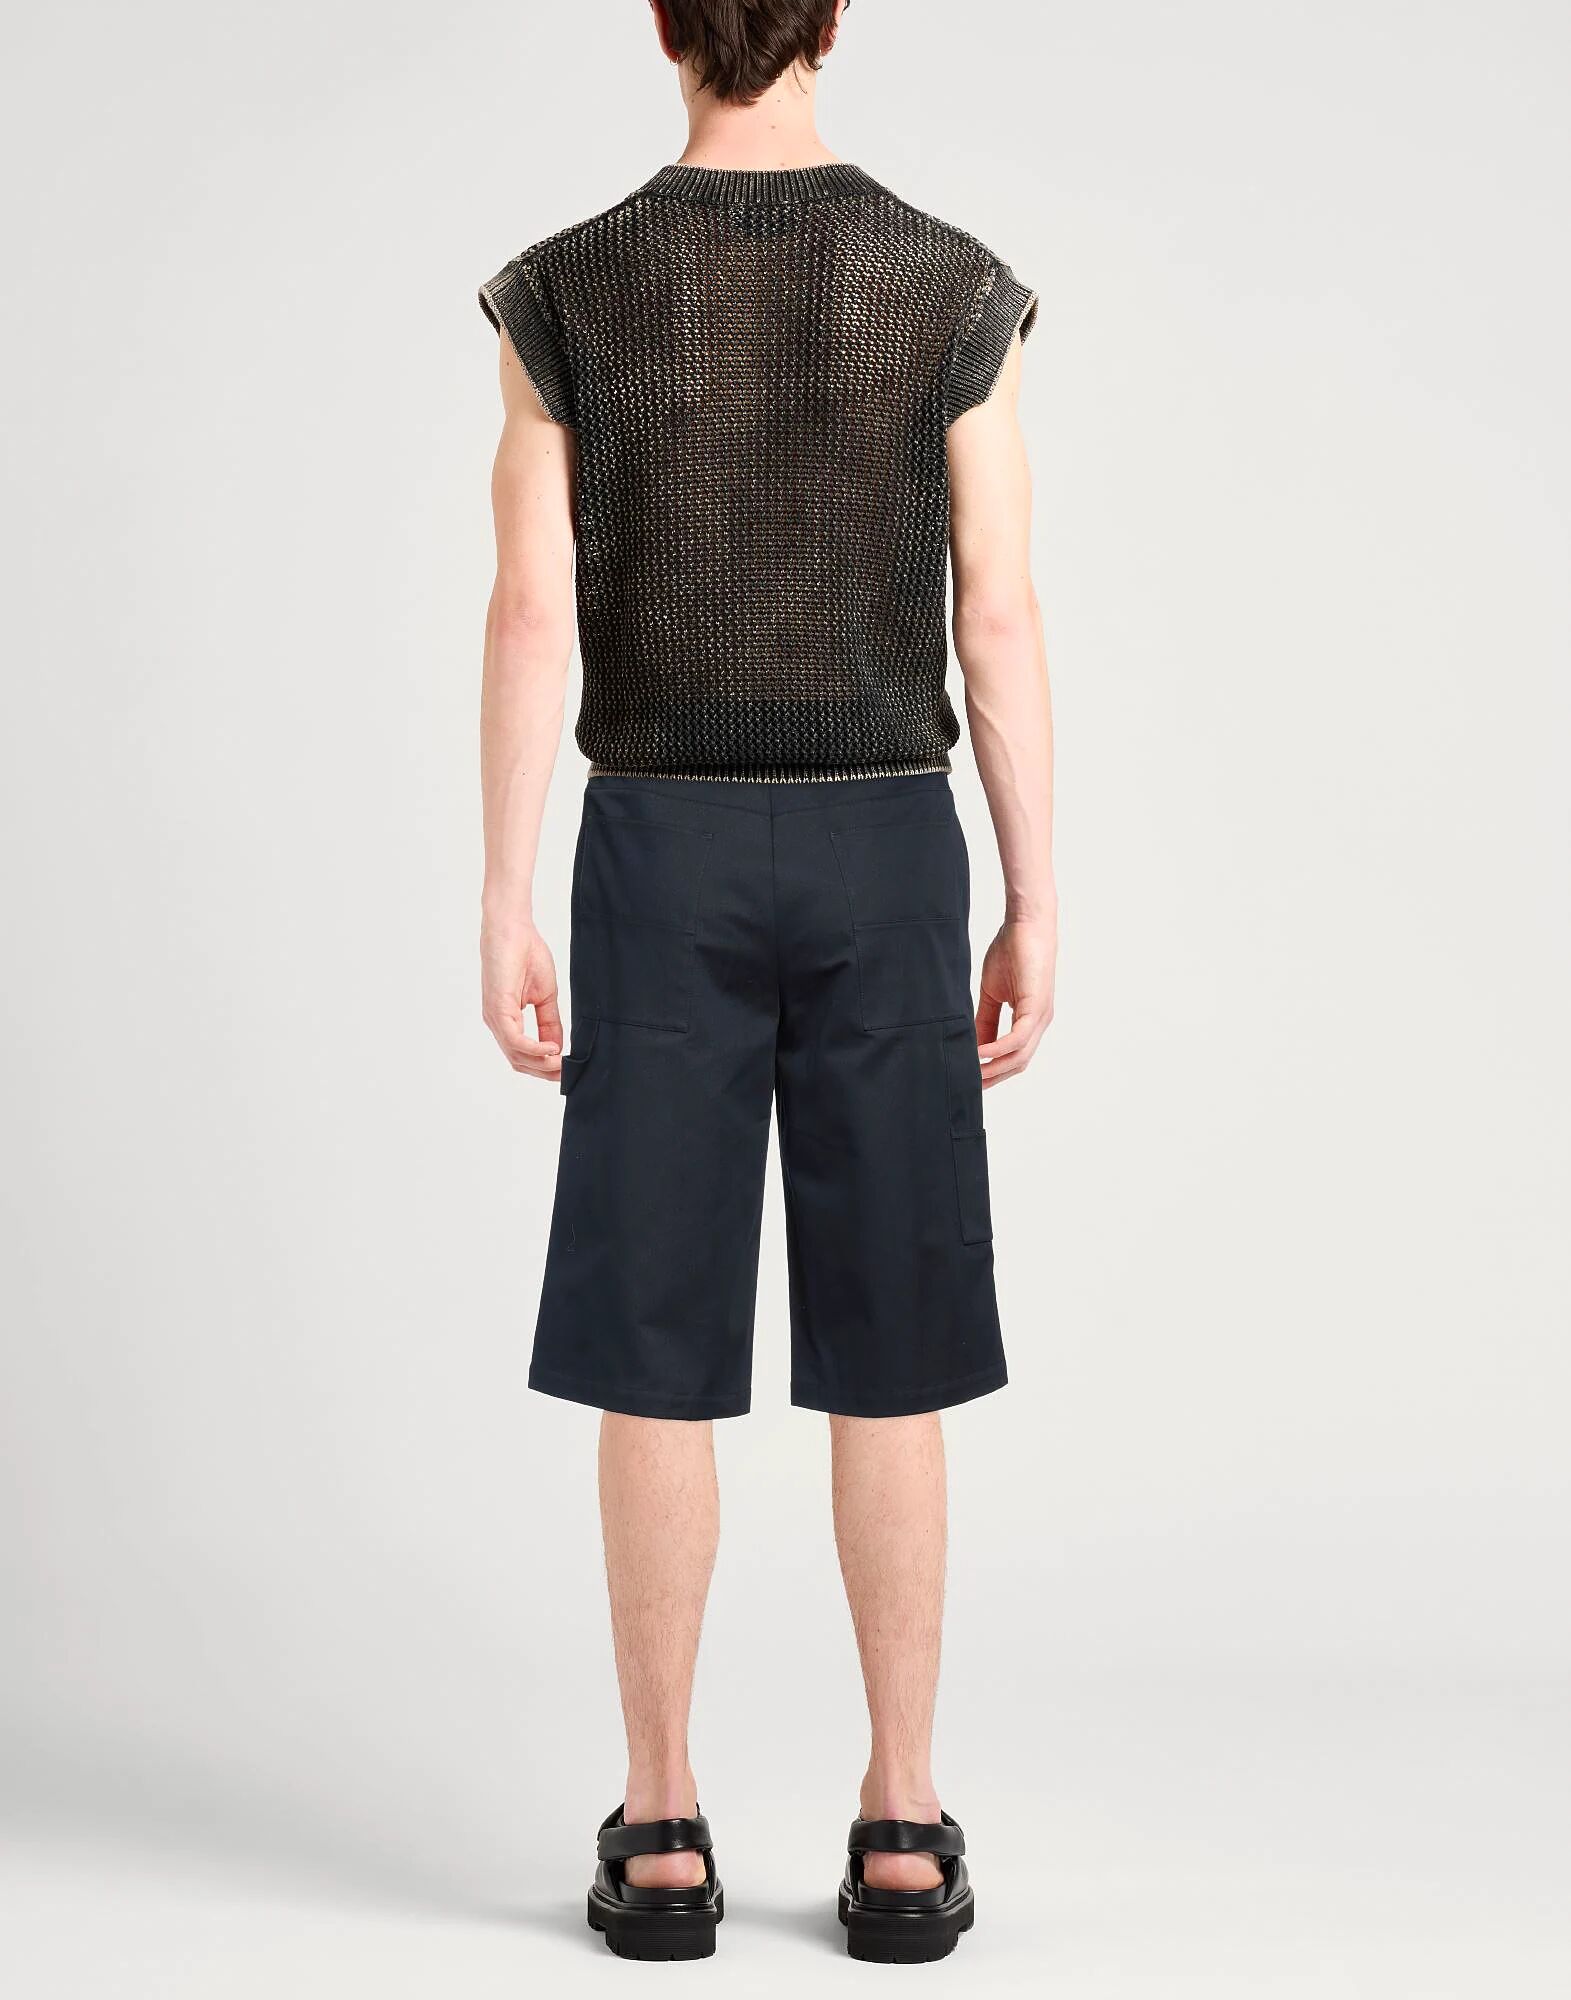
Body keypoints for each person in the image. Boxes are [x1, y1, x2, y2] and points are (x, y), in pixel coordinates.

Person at [477, 0, 1055, 1965]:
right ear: (834, 17)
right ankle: (900, 1826)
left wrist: (503, 891)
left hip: (658, 849)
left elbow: (534, 609)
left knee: (657, 1344)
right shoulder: (947, 285)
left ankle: (661, 1831)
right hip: (888, 849)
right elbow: (997, 614)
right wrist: (1035, 891)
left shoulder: (567, 290)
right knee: (893, 1338)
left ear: (663, 21)